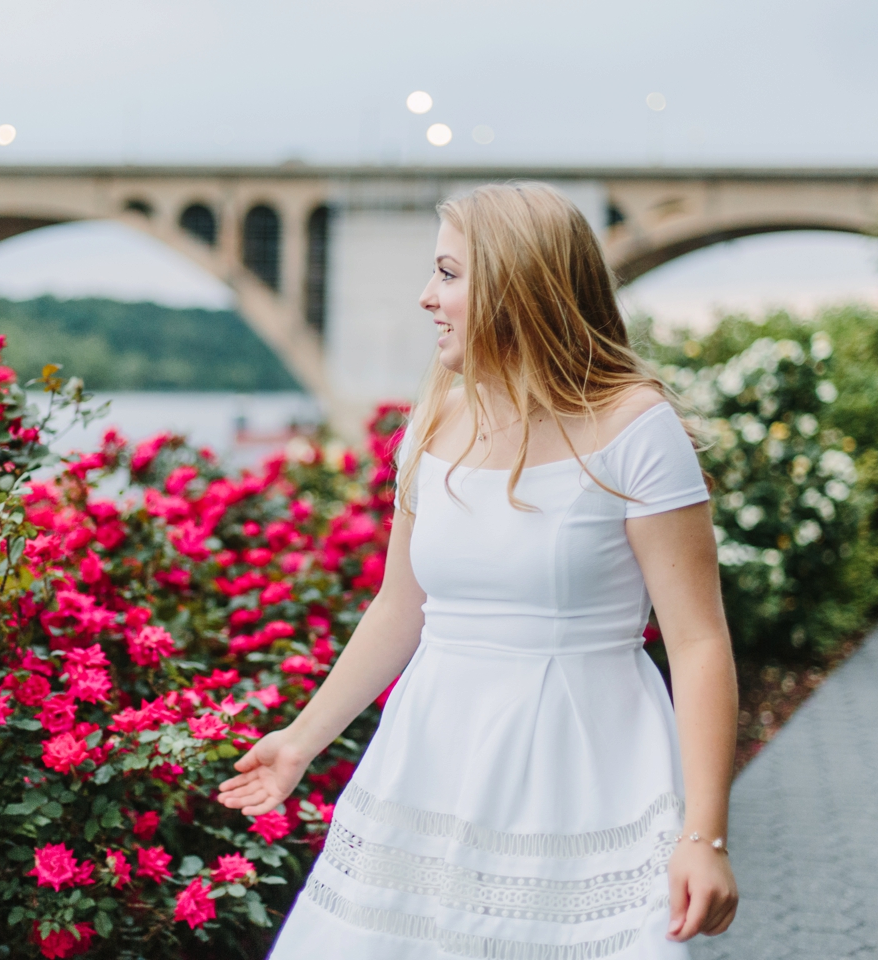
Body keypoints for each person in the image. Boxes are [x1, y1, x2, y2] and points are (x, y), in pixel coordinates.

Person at [220, 182, 740, 958]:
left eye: (450, 274)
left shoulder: (638, 427)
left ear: (518, 285)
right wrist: (301, 741)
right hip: (432, 754)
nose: (428, 298)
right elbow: (401, 607)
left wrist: (706, 834)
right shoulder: (435, 420)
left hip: (581, 763)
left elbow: (698, 643)